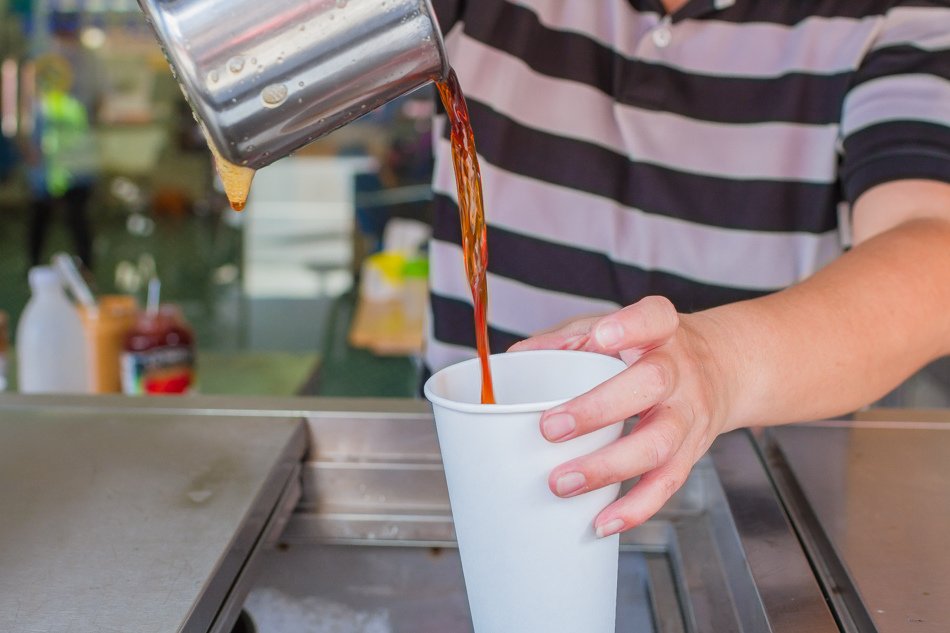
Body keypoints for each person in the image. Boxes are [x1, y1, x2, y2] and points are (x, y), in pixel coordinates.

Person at [426, 0, 950, 537]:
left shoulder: (889, 17)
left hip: (759, 516)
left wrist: (718, 365)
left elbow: (932, 247)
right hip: (476, 496)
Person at [23, 52, 97, 270]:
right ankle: (85, 266)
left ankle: (35, 266)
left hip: (60, 175)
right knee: (68, 221)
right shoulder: (70, 107)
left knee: (58, 221)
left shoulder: (44, 108)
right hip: (66, 175)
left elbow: (34, 146)